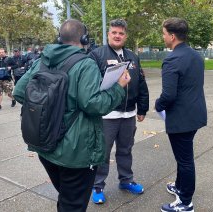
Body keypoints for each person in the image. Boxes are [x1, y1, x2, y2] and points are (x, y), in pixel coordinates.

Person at [13, 19, 131, 212]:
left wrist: (50, 110)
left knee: (67, 198)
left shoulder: (42, 60)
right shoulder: (86, 64)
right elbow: (94, 104)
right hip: (76, 152)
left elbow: (19, 91)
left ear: (60, 38)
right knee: (74, 204)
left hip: (45, 144)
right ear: (84, 38)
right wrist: (118, 88)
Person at [89, 19, 149, 204]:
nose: (117, 36)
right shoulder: (96, 55)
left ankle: (126, 181)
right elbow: (90, 85)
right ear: (108, 34)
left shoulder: (132, 56)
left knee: (125, 150)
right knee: (102, 152)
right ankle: (97, 186)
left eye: (121, 33)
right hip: (107, 114)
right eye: (114, 32)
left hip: (129, 114)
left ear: (125, 36)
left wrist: (143, 108)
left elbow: (141, 83)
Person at [155, 18, 207, 212]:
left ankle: (186, 202)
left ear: (172, 36)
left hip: (181, 119)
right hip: (195, 115)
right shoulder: (196, 56)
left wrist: (157, 104)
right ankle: (179, 186)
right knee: (182, 157)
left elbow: (168, 95)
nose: (163, 37)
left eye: (164, 34)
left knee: (185, 160)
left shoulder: (172, 59)